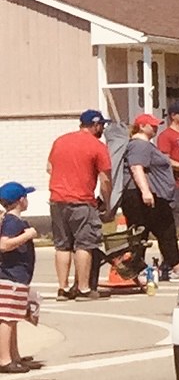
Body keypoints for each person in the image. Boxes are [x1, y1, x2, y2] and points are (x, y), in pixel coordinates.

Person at [48, 109, 113, 301]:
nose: (102, 129)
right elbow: (105, 180)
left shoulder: (60, 141)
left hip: (57, 199)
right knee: (84, 244)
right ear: (95, 125)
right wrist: (107, 204)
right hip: (82, 201)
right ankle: (83, 288)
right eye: (102, 125)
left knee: (62, 246)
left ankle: (62, 288)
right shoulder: (97, 146)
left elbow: (49, 167)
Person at [122, 113, 179, 279]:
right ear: (141, 126)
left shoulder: (145, 145)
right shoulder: (139, 145)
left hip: (147, 194)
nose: (156, 127)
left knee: (153, 231)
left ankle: (139, 267)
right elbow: (136, 167)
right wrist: (146, 192)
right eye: (152, 125)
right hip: (143, 195)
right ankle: (176, 267)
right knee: (164, 229)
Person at [0, 182, 43, 373]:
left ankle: (14, 356)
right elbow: (4, 245)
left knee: (13, 318)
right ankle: (4, 359)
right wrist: (28, 235)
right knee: (7, 319)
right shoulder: (12, 222)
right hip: (10, 277)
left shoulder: (11, 220)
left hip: (17, 278)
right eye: (25, 197)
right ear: (20, 200)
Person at [156, 100, 179, 224]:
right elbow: (165, 160)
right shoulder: (166, 136)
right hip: (177, 183)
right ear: (173, 116)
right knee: (178, 210)